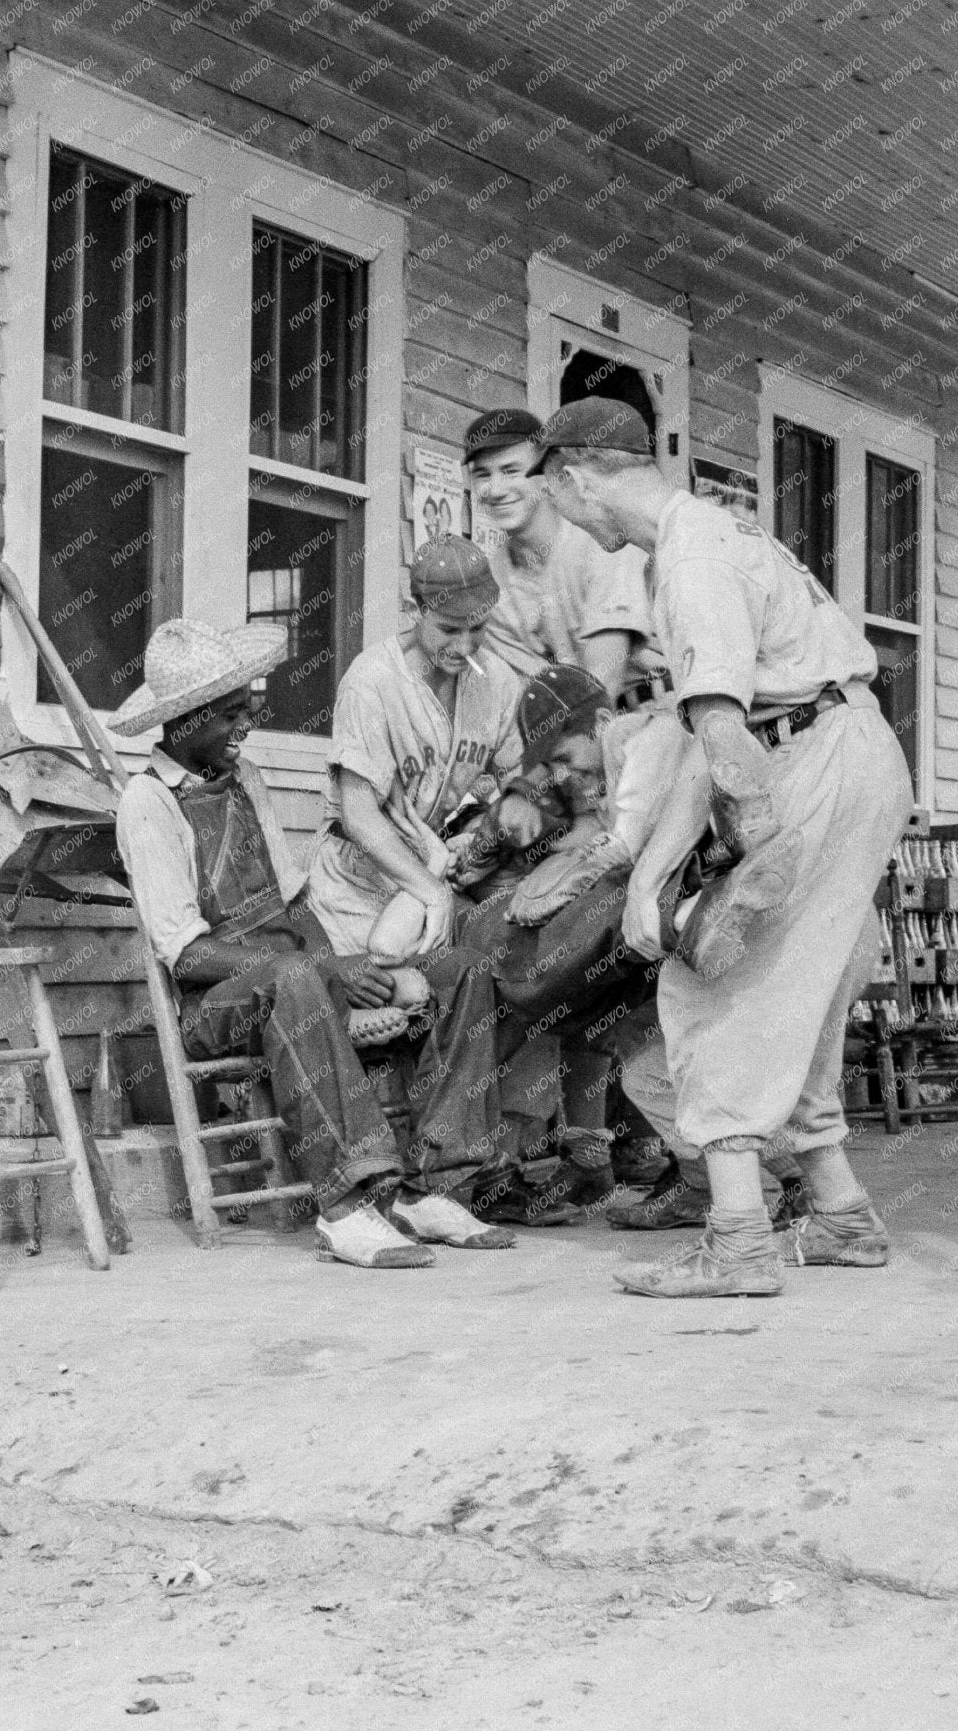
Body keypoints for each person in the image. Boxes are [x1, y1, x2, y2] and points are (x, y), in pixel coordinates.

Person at [537, 397, 916, 1298]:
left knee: (712, 984)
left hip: (806, 759)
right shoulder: (716, 530)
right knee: (802, 992)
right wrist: (655, 872)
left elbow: (724, 738)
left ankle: (740, 1241)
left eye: (557, 496)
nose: (568, 521)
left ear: (575, 479)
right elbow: (707, 739)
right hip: (850, 746)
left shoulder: (690, 556)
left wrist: (724, 869)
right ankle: (839, 1216)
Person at [111, 617, 514, 1271]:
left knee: (461, 969)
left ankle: (435, 1186)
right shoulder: (148, 802)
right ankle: (346, 1206)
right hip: (214, 1006)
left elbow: (296, 904)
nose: (246, 729)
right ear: (183, 723)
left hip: (297, 976)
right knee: (296, 974)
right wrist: (323, 968)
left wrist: (348, 967)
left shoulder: (248, 781)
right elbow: (185, 954)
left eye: (250, 711)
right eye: (230, 718)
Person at [457, 662, 709, 1226]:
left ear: (600, 722)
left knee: (660, 1050)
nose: (561, 774)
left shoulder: (650, 741)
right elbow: (552, 823)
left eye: (565, 758)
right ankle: (591, 1161)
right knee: (582, 1012)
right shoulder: (588, 772)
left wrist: (573, 869)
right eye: (550, 765)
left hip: (690, 912)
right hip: (643, 918)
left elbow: (621, 841)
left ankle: (756, 1178)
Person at [306, 534, 534, 961]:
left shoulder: (497, 681)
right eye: (449, 629)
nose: (465, 647)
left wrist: (484, 832)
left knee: (471, 974)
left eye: (478, 628)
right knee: (390, 993)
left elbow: (518, 781)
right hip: (357, 879)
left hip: (435, 860)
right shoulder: (372, 681)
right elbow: (358, 815)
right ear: (416, 610)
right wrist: (429, 889)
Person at [461, 407, 662, 704]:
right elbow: (532, 697)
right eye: (483, 475)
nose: (496, 489)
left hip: (664, 712)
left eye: (511, 471)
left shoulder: (602, 542)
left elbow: (602, 681)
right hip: (576, 726)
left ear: (545, 474)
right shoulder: (492, 580)